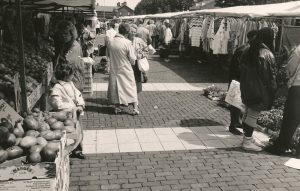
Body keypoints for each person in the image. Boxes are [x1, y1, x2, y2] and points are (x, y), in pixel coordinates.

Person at [239, 27, 277, 152]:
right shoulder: (266, 54)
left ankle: (247, 138)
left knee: (248, 112)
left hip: (247, 87)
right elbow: (270, 76)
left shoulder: (249, 50)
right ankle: (247, 142)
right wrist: (273, 90)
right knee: (253, 114)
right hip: (260, 89)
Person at [265, 45, 300, 158]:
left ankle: (280, 147)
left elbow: (290, 67)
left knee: (291, 118)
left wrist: (289, 80)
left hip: (298, 87)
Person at [49, 57, 85, 159]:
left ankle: (78, 150)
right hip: (66, 115)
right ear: (66, 75)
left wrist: (80, 104)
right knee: (68, 134)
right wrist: (72, 107)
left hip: (75, 114)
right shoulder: (57, 88)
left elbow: (77, 94)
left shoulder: (70, 83)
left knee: (78, 131)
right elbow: (57, 104)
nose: (73, 76)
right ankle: (67, 153)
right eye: (72, 74)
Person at [228, 30, 258, 135]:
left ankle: (237, 122)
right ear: (253, 38)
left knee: (238, 103)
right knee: (236, 103)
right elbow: (239, 67)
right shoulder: (246, 50)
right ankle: (232, 125)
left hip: (237, 79)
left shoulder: (244, 48)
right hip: (238, 80)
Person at [107, 23, 139, 115]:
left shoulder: (110, 41)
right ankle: (135, 108)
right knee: (131, 87)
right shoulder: (127, 43)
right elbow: (132, 59)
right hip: (125, 68)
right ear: (127, 32)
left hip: (114, 68)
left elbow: (108, 55)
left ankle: (117, 107)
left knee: (116, 87)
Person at [53, 20, 84, 91]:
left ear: (72, 33)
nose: (63, 35)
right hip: (68, 81)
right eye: (61, 33)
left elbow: (66, 65)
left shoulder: (74, 47)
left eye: (66, 33)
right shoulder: (66, 44)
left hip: (73, 82)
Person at [129, 27, 149, 93]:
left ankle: (137, 91)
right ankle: (130, 92)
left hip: (137, 62)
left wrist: (142, 55)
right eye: (131, 31)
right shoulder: (125, 40)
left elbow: (146, 49)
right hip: (128, 62)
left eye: (134, 32)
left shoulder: (139, 40)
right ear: (128, 32)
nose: (133, 33)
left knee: (137, 77)